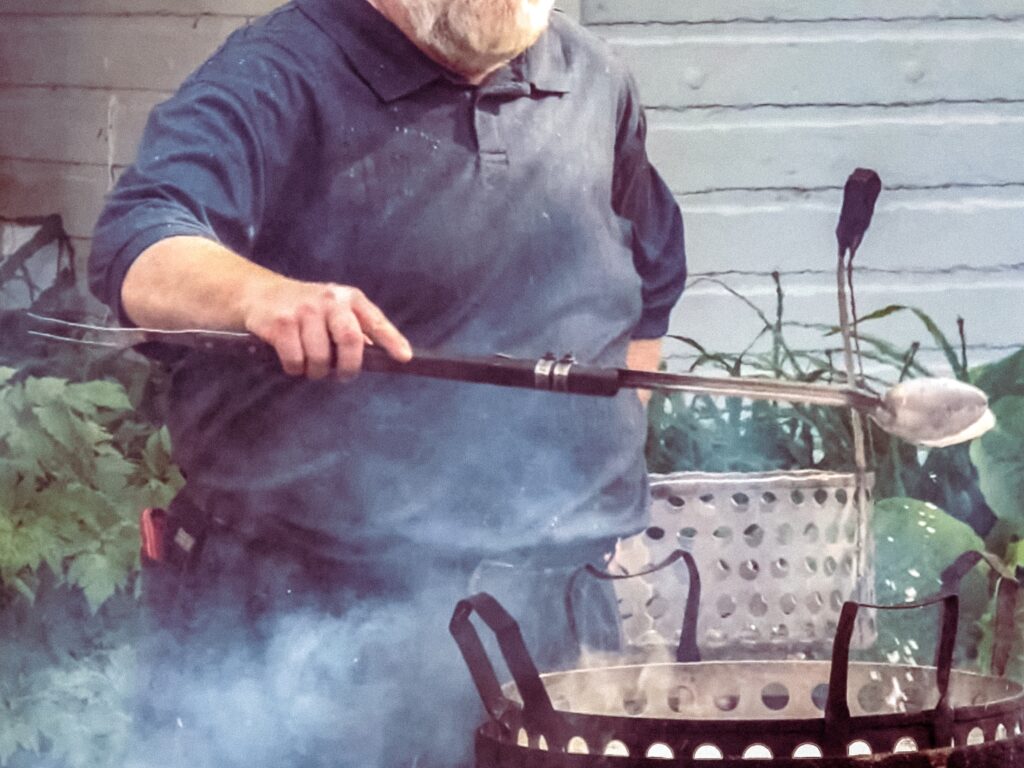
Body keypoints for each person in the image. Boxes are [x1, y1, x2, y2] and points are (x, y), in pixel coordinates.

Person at [89, 0, 686, 766]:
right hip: (312, 612)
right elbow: (141, 244)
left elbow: (651, 286)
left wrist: (584, 478)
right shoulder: (275, 74)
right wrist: (258, 296)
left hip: (555, 611)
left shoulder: (595, 82)